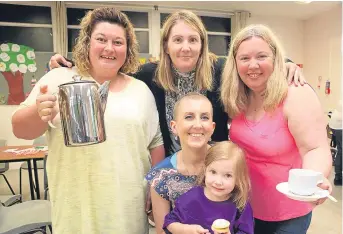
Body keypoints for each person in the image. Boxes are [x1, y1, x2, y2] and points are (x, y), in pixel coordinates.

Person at [48, 10, 305, 157]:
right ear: (166, 46)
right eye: (178, 40)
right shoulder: (149, 74)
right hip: (170, 167)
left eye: (193, 40)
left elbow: (253, 60)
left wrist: (287, 64)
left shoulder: (219, 68)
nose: (186, 47)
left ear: (202, 45)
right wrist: (70, 61)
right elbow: (111, 63)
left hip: (213, 167)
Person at [12, 7, 164, 233]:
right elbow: (20, 130)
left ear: (128, 48)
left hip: (128, 212)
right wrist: (38, 111)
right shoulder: (58, 78)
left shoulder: (140, 91)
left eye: (118, 42)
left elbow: (156, 144)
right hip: (76, 212)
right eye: (101, 39)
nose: (109, 48)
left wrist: (154, 189)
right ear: (87, 43)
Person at [220, 24, 332, 234]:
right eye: (244, 59)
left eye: (261, 56)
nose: (253, 65)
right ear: (235, 64)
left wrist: (313, 180)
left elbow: (315, 148)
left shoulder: (296, 93)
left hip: (287, 213)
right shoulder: (237, 97)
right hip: (245, 205)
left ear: (276, 59)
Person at [146, 92, 216, 233]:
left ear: (212, 127)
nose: (197, 125)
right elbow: (162, 230)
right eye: (189, 117)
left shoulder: (228, 162)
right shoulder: (161, 176)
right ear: (174, 127)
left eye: (204, 117)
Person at [164, 141, 254, 234]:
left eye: (228, 175)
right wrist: (188, 230)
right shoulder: (191, 197)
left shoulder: (240, 206)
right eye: (213, 172)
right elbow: (169, 223)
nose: (218, 182)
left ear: (238, 178)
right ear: (205, 170)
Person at [329, 100, 342, 186]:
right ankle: (338, 177)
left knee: (340, 152)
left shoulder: (340, 102)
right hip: (340, 127)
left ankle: (338, 177)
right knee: (341, 151)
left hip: (335, 127)